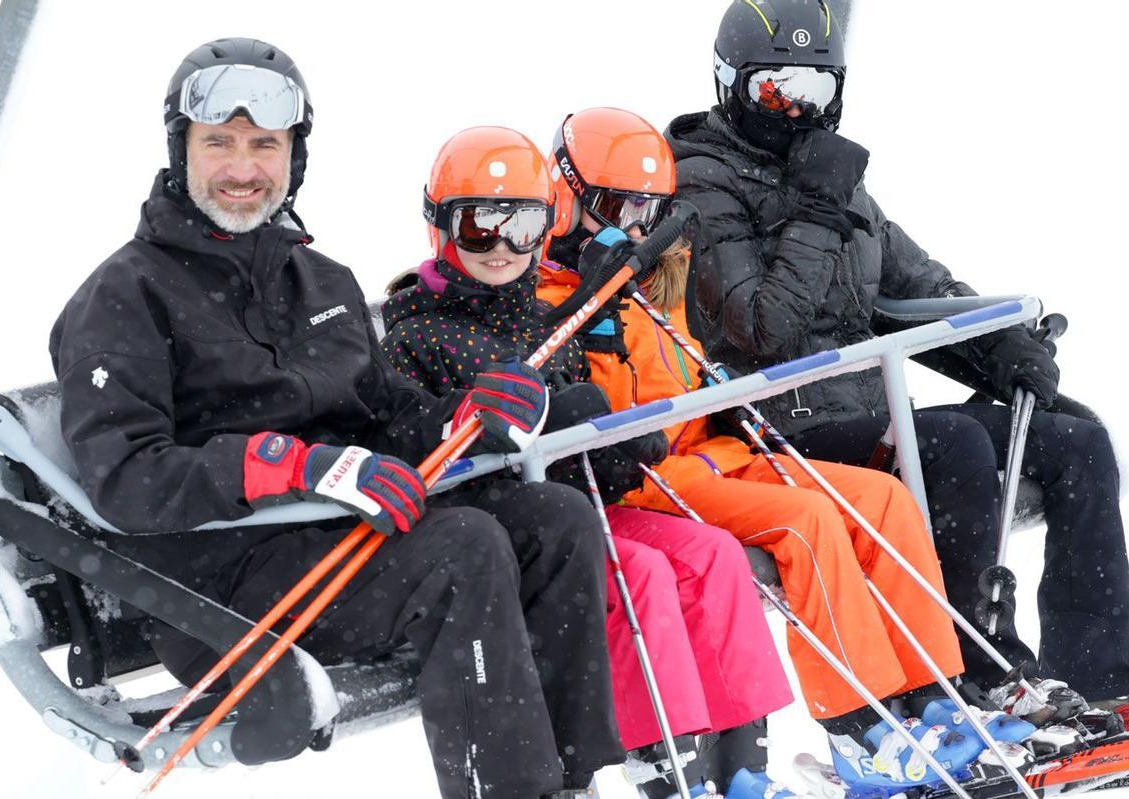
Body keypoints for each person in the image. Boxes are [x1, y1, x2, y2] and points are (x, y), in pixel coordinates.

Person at [48, 38, 624, 799]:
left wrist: (465, 414)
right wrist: (288, 464)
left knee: (556, 518)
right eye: (218, 143)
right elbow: (125, 478)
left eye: (265, 144)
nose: (243, 168)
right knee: (465, 547)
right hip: (222, 585)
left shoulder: (321, 281)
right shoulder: (126, 295)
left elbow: (382, 418)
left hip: (342, 540)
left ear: (294, 155)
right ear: (179, 149)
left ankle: (575, 780)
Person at [666, 0, 1129, 715]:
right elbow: (765, 327)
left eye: (816, 91)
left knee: (1076, 441)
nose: (796, 112)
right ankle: (982, 674)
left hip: (869, 417)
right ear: (730, 83)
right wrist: (813, 212)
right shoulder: (699, 185)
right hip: (776, 429)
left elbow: (917, 286)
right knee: (953, 442)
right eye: (774, 89)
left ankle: (1103, 685)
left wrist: (997, 348)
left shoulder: (837, 181)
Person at [536, 106, 995, 792]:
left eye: (646, 209)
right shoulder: (552, 300)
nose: (630, 225)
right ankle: (859, 723)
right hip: (653, 477)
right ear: (565, 196)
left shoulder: (648, 283)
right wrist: (596, 304)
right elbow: (597, 405)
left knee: (879, 499)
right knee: (806, 525)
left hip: (714, 451)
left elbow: (698, 360)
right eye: (613, 205)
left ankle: (932, 699)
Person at [380, 124, 793, 797]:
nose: (504, 248)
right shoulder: (417, 332)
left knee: (711, 553)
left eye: (525, 226)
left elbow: (584, 451)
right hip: (509, 536)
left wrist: (616, 449)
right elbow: (418, 450)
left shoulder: (544, 323)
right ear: (442, 227)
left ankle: (743, 767)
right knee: (642, 576)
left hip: (578, 510)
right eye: (482, 227)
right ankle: (669, 770)